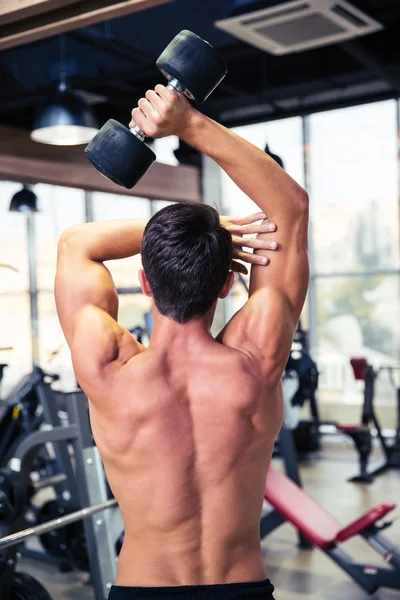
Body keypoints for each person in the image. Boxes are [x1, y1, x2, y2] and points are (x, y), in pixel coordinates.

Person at [55, 84, 309, 600]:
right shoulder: (256, 361)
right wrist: (189, 123)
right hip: (240, 588)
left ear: (145, 283)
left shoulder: (105, 367)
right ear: (226, 284)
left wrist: (196, 232)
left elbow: (76, 244)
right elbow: (291, 205)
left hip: (143, 589)